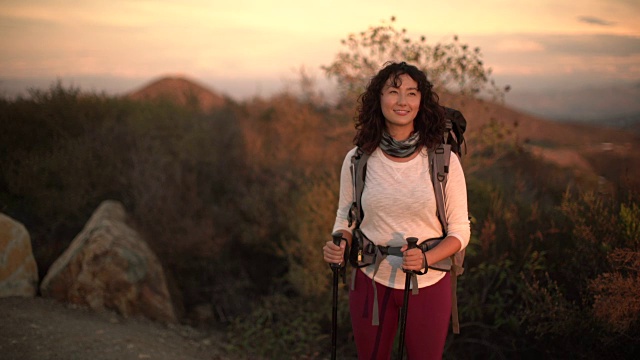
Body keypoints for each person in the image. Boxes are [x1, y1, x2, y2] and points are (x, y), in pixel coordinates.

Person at [323, 61, 470, 359]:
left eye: (412, 93)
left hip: (428, 282)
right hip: (369, 279)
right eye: (393, 91)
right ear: (378, 99)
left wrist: (426, 258)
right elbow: (345, 217)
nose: (402, 101)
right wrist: (340, 242)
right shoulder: (358, 158)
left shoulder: (443, 160)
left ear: (421, 102)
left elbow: (460, 231)